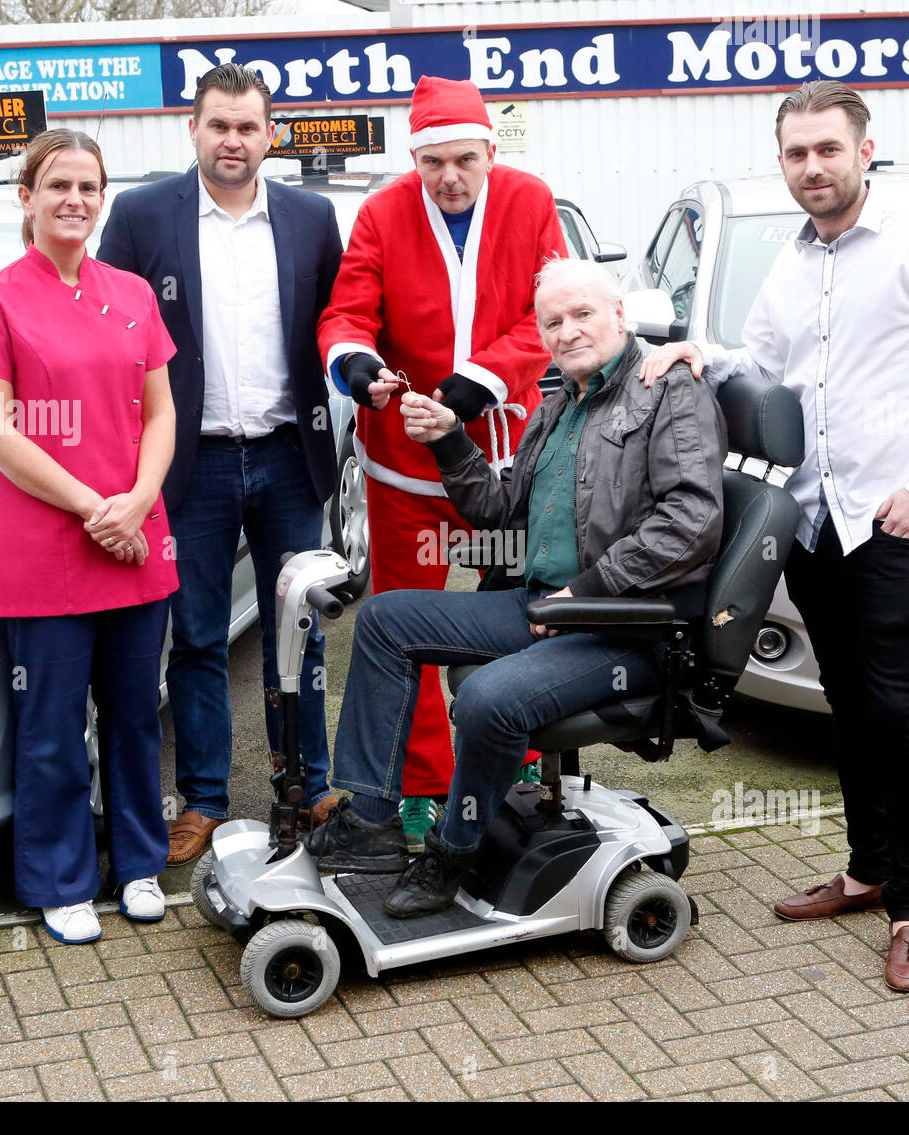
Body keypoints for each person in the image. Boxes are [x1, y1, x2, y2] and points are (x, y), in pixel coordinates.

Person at [642, 81, 909, 992]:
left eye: (827, 150)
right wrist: (701, 355)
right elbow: (766, 366)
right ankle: (866, 869)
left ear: (863, 150)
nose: (812, 168)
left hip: (897, 519)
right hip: (816, 522)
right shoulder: (791, 259)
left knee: (898, 710)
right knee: (848, 704)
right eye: (797, 154)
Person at [305, 257, 726, 917]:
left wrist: (586, 588)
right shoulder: (559, 402)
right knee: (385, 618)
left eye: (584, 314)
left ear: (619, 315)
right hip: (547, 605)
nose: (569, 330)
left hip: (625, 623)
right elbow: (499, 511)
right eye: (553, 321)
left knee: (490, 697)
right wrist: (449, 441)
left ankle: (453, 852)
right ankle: (371, 824)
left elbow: (690, 524)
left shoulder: (669, 390)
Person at [99, 65, 344, 866]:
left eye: (248, 127)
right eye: (218, 126)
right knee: (198, 636)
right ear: (193, 129)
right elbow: (107, 340)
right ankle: (204, 799)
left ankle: (308, 787)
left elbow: (341, 323)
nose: (233, 141)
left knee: (298, 629)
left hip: (287, 455)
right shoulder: (141, 216)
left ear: (270, 133)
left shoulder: (312, 217)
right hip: (188, 462)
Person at [317, 75, 567, 848]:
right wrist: (359, 369)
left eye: (465, 159)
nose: (450, 178)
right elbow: (347, 310)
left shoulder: (529, 201)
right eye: (433, 164)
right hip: (406, 464)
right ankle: (421, 779)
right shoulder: (383, 212)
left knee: (520, 615)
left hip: (504, 462)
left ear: (491, 150)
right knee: (403, 621)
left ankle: (516, 755)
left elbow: (548, 313)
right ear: (414, 161)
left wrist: (478, 383)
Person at [0, 129, 178, 944]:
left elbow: (161, 413)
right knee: (50, 725)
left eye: (89, 186)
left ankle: (140, 864)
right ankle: (60, 876)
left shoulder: (133, 293)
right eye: (58, 186)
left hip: (134, 539)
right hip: (47, 546)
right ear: (27, 197)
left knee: (133, 714)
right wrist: (98, 507)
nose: (75, 200)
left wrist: (139, 498)